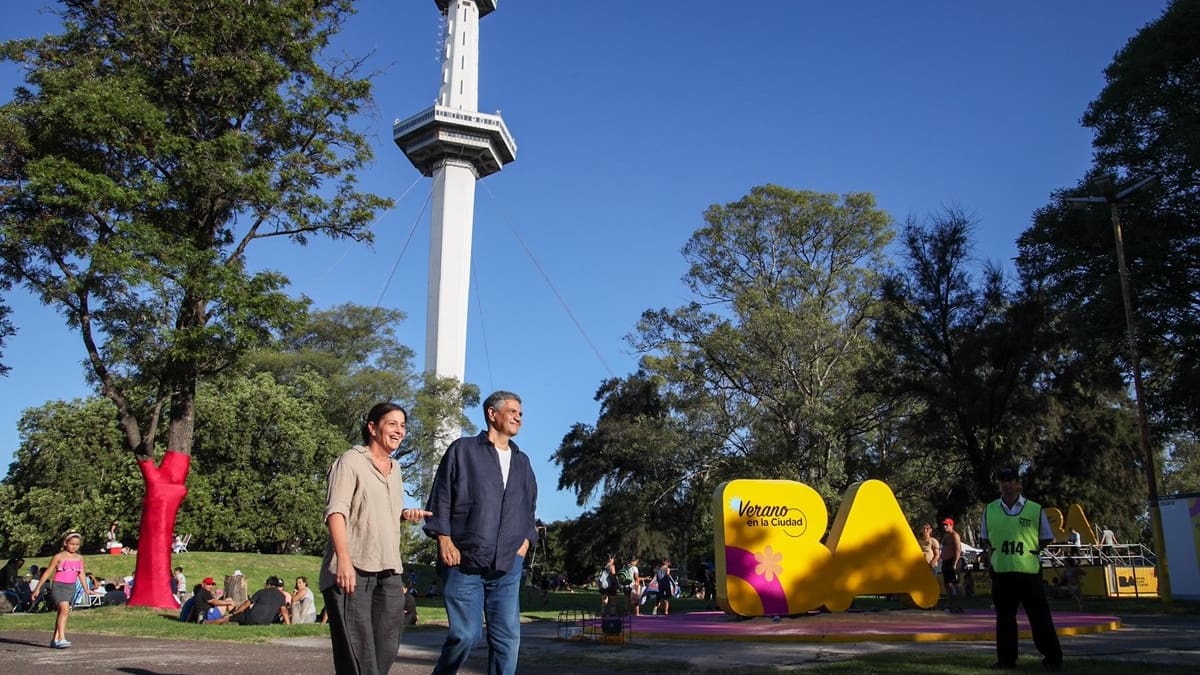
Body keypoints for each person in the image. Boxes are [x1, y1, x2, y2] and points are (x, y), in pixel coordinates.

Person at [424, 390, 539, 675]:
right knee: (466, 635)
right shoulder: (462, 451)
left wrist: (524, 544)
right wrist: (444, 538)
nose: (518, 418)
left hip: (507, 566)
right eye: (512, 411)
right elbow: (441, 497)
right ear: (492, 413)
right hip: (464, 562)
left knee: (507, 640)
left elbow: (529, 508)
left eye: (520, 413)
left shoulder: (522, 462)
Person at [320, 402, 430, 675]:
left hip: (389, 571)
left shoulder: (396, 469)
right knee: (359, 658)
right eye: (392, 424)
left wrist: (404, 514)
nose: (399, 430)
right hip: (352, 569)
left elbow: (378, 511)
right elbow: (336, 511)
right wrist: (344, 561)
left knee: (386, 649)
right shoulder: (350, 461)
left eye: (403, 425)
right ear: (372, 427)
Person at [981, 467, 1063, 671]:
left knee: (1040, 617)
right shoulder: (990, 509)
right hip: (1002, 572)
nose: (1006, 485)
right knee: (1005, 619)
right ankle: (1006, 660)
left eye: (1010, 480)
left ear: (1018, 484)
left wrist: (1029, 551)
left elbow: (1046, 537)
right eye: (1002, 481)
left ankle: (1052, 658)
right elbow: (986, 539)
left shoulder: (1034, 509)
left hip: (1029, 572)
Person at [31, 532, 88, 648]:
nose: (74, 546)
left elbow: (81, 573)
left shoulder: (79, 558)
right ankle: (62, 638)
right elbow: (47, 572)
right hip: (59, 586)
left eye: (77, 544)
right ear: (65, 543)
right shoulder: (59, 557)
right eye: (72, 544)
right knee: (64, 609)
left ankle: (55, 639)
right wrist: (37, 588)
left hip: (71, 587)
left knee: (63, 612)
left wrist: (86, 588)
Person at [214, 575, 291, 625]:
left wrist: (235, 613)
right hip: (266, 622)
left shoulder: (261, 592)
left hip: (252, 619)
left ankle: (209, 622)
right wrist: (288, 625)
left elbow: (246, 604)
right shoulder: (281, 596)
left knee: (229, 618)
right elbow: (284, 611)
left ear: (268, 584)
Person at [939, 518, 963, 613]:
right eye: (944, 525)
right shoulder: (945, 536)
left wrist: (955, 563)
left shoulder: (955, 535)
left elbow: (958, 550)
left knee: (956, 584)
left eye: (946, 525)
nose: (944, 527)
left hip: (952, 562)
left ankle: (958, 605)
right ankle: (950, 605)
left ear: (951, 525)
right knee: (947, 584)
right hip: (945, 562)